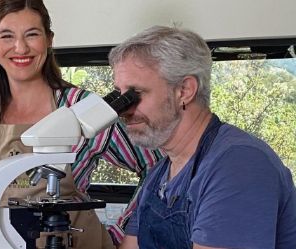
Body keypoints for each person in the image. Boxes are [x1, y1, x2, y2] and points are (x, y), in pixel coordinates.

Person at [0, 1, 164, 248]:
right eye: (7, 36)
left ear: (49, 40)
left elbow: (158, 166)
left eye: (32, 34)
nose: (21, 48)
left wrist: (126, 230)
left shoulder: (80, 107)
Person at [109, 25, 296, 249]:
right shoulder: (160, 175)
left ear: (184, 91)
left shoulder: (238, 164)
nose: (123, 110)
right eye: (119, 95)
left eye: (134, 94)